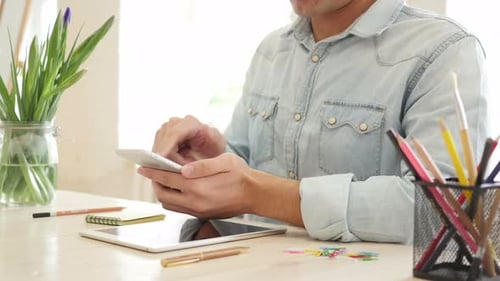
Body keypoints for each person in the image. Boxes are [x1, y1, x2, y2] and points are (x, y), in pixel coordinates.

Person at [137, 0, 489, 243]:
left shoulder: (443, 51)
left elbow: (443, 213)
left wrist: (260, 194)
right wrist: (208, 169)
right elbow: (247, 179)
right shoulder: (272, 50)